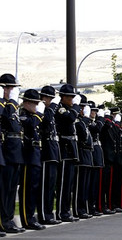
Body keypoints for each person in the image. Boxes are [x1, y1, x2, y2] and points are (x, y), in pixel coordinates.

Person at [0, 73, 25, 234]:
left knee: (10, 189)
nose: (12, 91)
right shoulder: (4, 105)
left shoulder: (11, 105)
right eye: (9, 88)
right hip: (6, 150)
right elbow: (7, 117)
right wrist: (10, 102)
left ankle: (8, 219)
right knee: (3, 188)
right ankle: (3, 220)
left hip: (14, 150)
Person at [17, 89, 46, 230]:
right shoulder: (23, 115)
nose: (36, 106)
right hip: (27, 154)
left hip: (35, 153)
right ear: (26, 103)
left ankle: (30, 217)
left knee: (34, 187)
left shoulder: (32, 115)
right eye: (34, 103)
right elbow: (31, 124)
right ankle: (26, 219)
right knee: (27, 189)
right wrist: (39, 114)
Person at [55, 83, 80, 222]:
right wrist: (76, 107)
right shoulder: (61, 109)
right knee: (63, 183)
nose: (71, 99)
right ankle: (61, 212)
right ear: (63, 97)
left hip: (70, 148)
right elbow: (70, 118)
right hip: (64, 148)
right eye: (69, 97)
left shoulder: (69, 109)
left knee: (68, 183)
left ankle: (66, 210)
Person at [37, 86, 61, 226]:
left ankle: (48, 213)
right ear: (43, 98)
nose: (51, 101)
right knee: (45, 186)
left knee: (51, 186)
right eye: (49, 98)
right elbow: (45, 121)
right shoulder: (42, 112)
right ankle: (43, 215)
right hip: (45, 151)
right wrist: (51, 106)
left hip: (52, 151)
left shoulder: (49, 111)